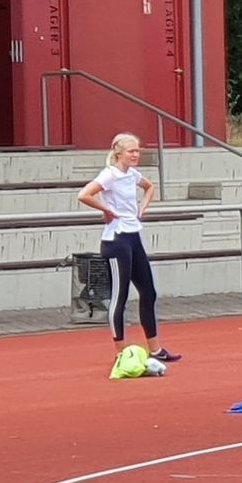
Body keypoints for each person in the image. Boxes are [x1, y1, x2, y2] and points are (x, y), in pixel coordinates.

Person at [78, 133, 180, 366]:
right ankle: (120, 352)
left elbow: (149, 187)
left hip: (133, 236)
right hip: (116, 240)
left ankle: (155, 349)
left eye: (138, 150)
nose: (136, 154)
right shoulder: (110, 174)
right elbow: (84, 194)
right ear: (119, 153)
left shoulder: (132, 175)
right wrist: (106, 210)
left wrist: (142, 207)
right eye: (131, 151)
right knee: (120, 296)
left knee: (149, 292)